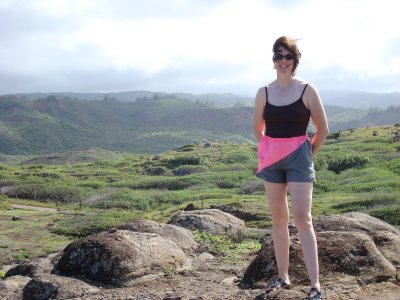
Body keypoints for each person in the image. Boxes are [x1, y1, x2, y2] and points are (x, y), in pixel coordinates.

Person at [253, 36, 329, 300]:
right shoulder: (264, 92)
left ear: (295, 60)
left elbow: (323, 129)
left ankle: (315, 285)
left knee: (302, 219)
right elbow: (258, 130)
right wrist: (270, 150)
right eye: (278, 55)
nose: (283, 61)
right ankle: (283, 277)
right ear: (273, 60)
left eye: (288, 56)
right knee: (278, 220)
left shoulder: (307, 90)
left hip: (299, 158)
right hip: (272, 161)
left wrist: (307, 153)